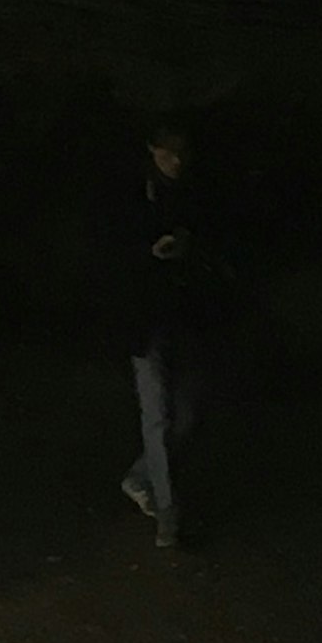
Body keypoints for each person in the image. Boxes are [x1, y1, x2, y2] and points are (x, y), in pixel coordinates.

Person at [122, 122, 218, 553]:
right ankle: (168, 515)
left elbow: (206, 243)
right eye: (168, 153)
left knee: (188, 415)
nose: (176, 162)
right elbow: (115, 252)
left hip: (184, 322)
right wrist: (148, 252)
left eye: (181, 154)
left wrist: (185, 244)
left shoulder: (191, 195)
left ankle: (142, 478)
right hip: (145, 324)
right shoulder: (134, 196)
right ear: (153, 151)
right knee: (157, 419)